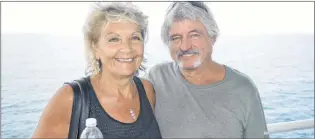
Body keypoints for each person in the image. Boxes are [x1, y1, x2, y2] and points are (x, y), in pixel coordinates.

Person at [32, 2, 161, 138]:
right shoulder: (70, 98)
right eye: (114, 39)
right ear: (95, 48)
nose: (127, 48)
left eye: (135, 37)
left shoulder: (146, 90)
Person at [147, 2, 269, 138]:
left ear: (212, 37)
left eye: (194, 35)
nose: (185, 46)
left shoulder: (243, 89)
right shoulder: (157, 77)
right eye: (176, 38)